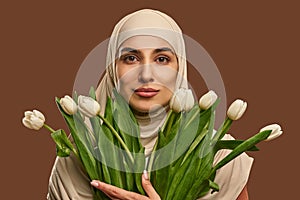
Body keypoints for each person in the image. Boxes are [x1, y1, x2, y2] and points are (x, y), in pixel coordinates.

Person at [47, 9, 253, 200]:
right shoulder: (77, 155)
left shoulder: (219, 155)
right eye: (131, 58)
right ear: (112, 69)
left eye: (162, 59)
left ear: (180, 68)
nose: (146, 75)